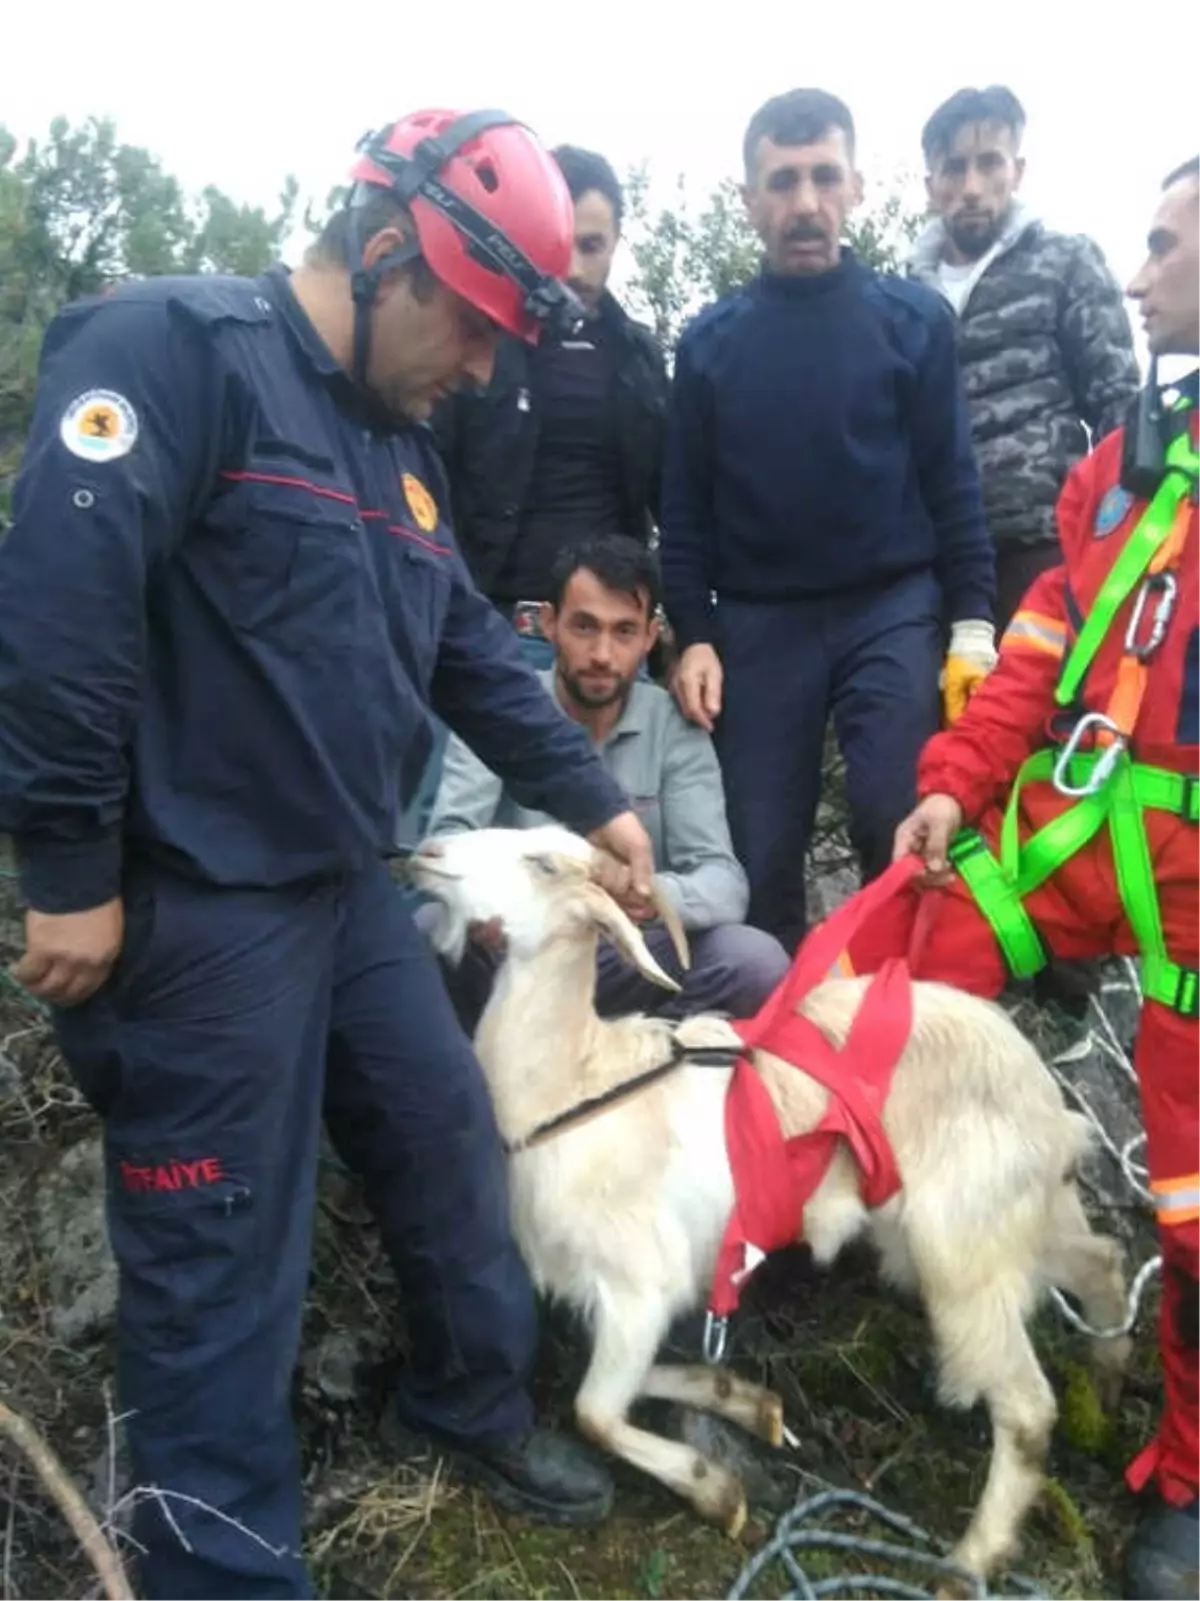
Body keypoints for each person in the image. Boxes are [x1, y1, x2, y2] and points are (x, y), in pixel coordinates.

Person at [0, 109, 660, 1601]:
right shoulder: (174, 356)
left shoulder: (401, 460)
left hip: (345, 889)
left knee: (444, 1136)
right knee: (222, 1262)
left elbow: (474, 665)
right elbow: (61, 604)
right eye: (475, 325)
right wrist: (67, 867)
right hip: (200, 909)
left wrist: (596, 805)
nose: (485, 370)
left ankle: (467, 1401)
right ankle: (220, 1572)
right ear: (381, 250)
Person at [840, 156, 1200, 1601]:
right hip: (1072, 819)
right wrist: (945, 787)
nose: (1134, 274)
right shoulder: (1118, 456)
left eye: (1164, 244)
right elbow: (1043, 652)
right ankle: (902, 1248)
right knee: (900, 958)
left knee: (1195, 1196)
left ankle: (1188, 1474)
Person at [660, 87, 997, 955]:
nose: (803, 203)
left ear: (853, 188)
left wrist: (972, 622)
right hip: (760, 620)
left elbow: (953, 483)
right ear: (748, 200)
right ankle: (772, 1031)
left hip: (890, 604)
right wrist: (694, 633)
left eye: (822, 178)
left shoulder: (914, 321)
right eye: (780, 181)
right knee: (758, 840)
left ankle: (899, 1015)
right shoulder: (706, 345)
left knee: (899, 807)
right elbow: (684, 512)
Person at [422, 535, 791, 1025]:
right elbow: (446, 846)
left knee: (753, 961)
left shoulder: (673, 725)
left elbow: (722, 884)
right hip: (517, 949)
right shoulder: (502, 711)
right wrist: (495, 901)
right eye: (584, 626)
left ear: (650, 635)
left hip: (623, 952)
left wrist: (637, 893)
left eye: (623, 632)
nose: (602, 653)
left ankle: (629, 1069)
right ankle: (486, 1081)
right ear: (549, 624)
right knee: (430, 929)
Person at [908, 84, 1141, 631]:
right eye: (953, 168)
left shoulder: (1066, 261)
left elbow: (1117, 404)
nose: (971, 187)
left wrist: (1120, 535)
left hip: (1048, 541)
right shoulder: (904, 299)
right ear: (930, 184)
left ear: (1017, 169)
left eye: (988, 163)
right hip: (935, 562)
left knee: (1050, 712)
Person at [431, 144, 669, 664]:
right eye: (561, 247)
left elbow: (676, 504)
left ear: (615, 244)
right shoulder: (476, 344)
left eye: (592, 246)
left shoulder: (640, 358)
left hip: (612, 644)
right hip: (488, 632)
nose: (577, 270)